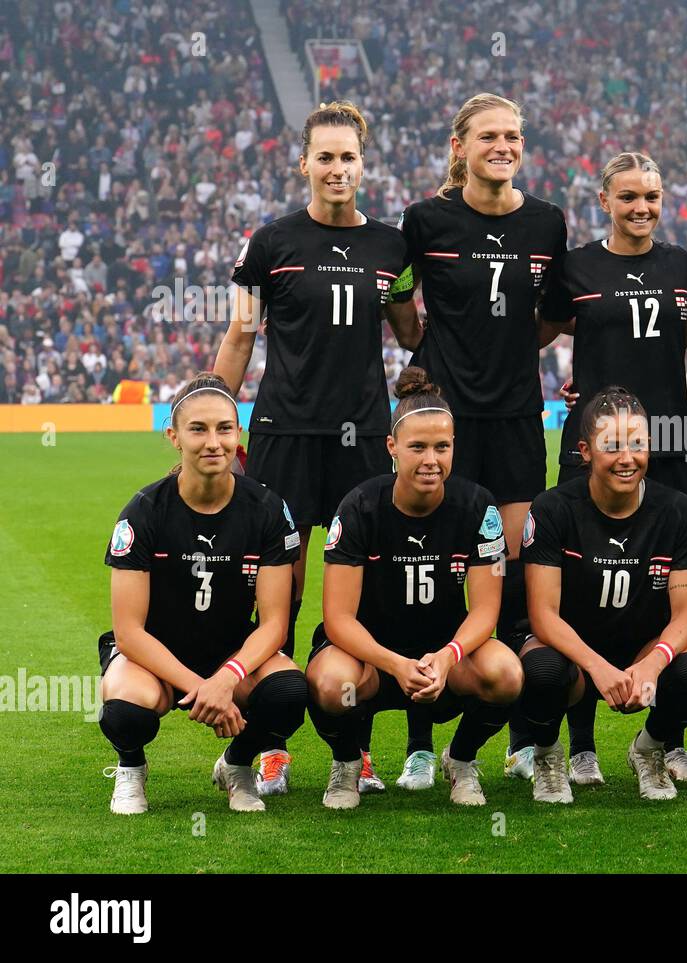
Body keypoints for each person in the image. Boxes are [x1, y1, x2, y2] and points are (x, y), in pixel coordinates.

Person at [214, 100, 418, 795]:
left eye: (348, 157)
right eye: (325, 156)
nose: (337, 168)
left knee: (360, 598)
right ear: (303, 162)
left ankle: (351, 746)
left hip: (363, 437)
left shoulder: (393, 247)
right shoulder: (268, 245)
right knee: (283, 592)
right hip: (282, 435)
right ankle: (265, 745)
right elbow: (242, 335)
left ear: (364, 164)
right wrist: (211, 409)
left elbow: (412, 331)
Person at [387, 93, 569, 779]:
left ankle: (521, 741)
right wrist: (422, 350)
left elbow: (549, 317)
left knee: (516, 576)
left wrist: (509, 355)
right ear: (458, 145)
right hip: (443, 421)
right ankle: (419, 747)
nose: (504, 145)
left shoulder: (547, 223)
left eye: (514, 135)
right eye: (489, 135)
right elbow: (397, 295)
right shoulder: (425, 220)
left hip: (519, 418)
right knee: (432, 573)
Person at [545, 151, 687, 786]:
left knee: (670, 585)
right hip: (593, 441)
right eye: (629, 197)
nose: (642, 208)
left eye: (653, 197)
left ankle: (664, 740)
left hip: (663, 437)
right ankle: (577, 743)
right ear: (605, 201)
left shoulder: (680, 266)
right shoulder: (577, 266)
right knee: (582, 585)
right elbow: (547, 328)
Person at [304, 367, 524, 808]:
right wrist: (394, 664)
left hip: (442, 660)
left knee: (506, 674)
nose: (431, 460)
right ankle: (347, 763)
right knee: (331, 684)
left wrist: (447, 657)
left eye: (442, 447)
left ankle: (460, 759)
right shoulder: (360, 506)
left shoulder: (477, 505)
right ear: (392, 447)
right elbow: (338, 618)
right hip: (371, 659)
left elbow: (485, 610)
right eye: (418, 447)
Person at [99, 373, 308, 814]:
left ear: (238, 433)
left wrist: (227, 678)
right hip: (155, 656)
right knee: (124, 709)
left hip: (232, 653)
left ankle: (236, 764)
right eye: (198, 429)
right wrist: (203, 687)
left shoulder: (268, 510)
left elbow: (274, 623)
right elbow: (129, 631)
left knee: (289, 693)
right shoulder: (143, 511)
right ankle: (130, 768)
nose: (213, 442)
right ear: (174, 436)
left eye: (224, 429)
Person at [518, 387, 687, 802]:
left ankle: (649, 750)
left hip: (641, 643)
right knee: (541, 673)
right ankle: (549, 756)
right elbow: (543, 614)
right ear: (585, 451)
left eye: (638, 445)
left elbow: (685, 614)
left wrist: (653, 664)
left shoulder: (678, 511)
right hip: (570, 649)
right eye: (613, 446)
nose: (627, 458)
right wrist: (597, 667)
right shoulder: (552, 509)